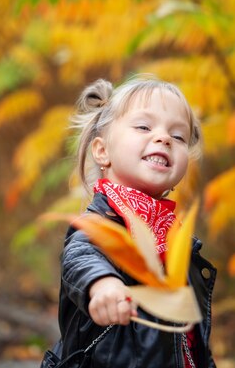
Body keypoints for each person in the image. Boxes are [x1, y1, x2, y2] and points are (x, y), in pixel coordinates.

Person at [55, 75, 216, 368]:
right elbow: (80, 256)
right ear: (102, 151)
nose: (164, 138)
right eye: (144, 127)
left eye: (178, 136)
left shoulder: (174, 239)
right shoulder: (100, 225)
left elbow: (192, 340)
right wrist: (103, 285)